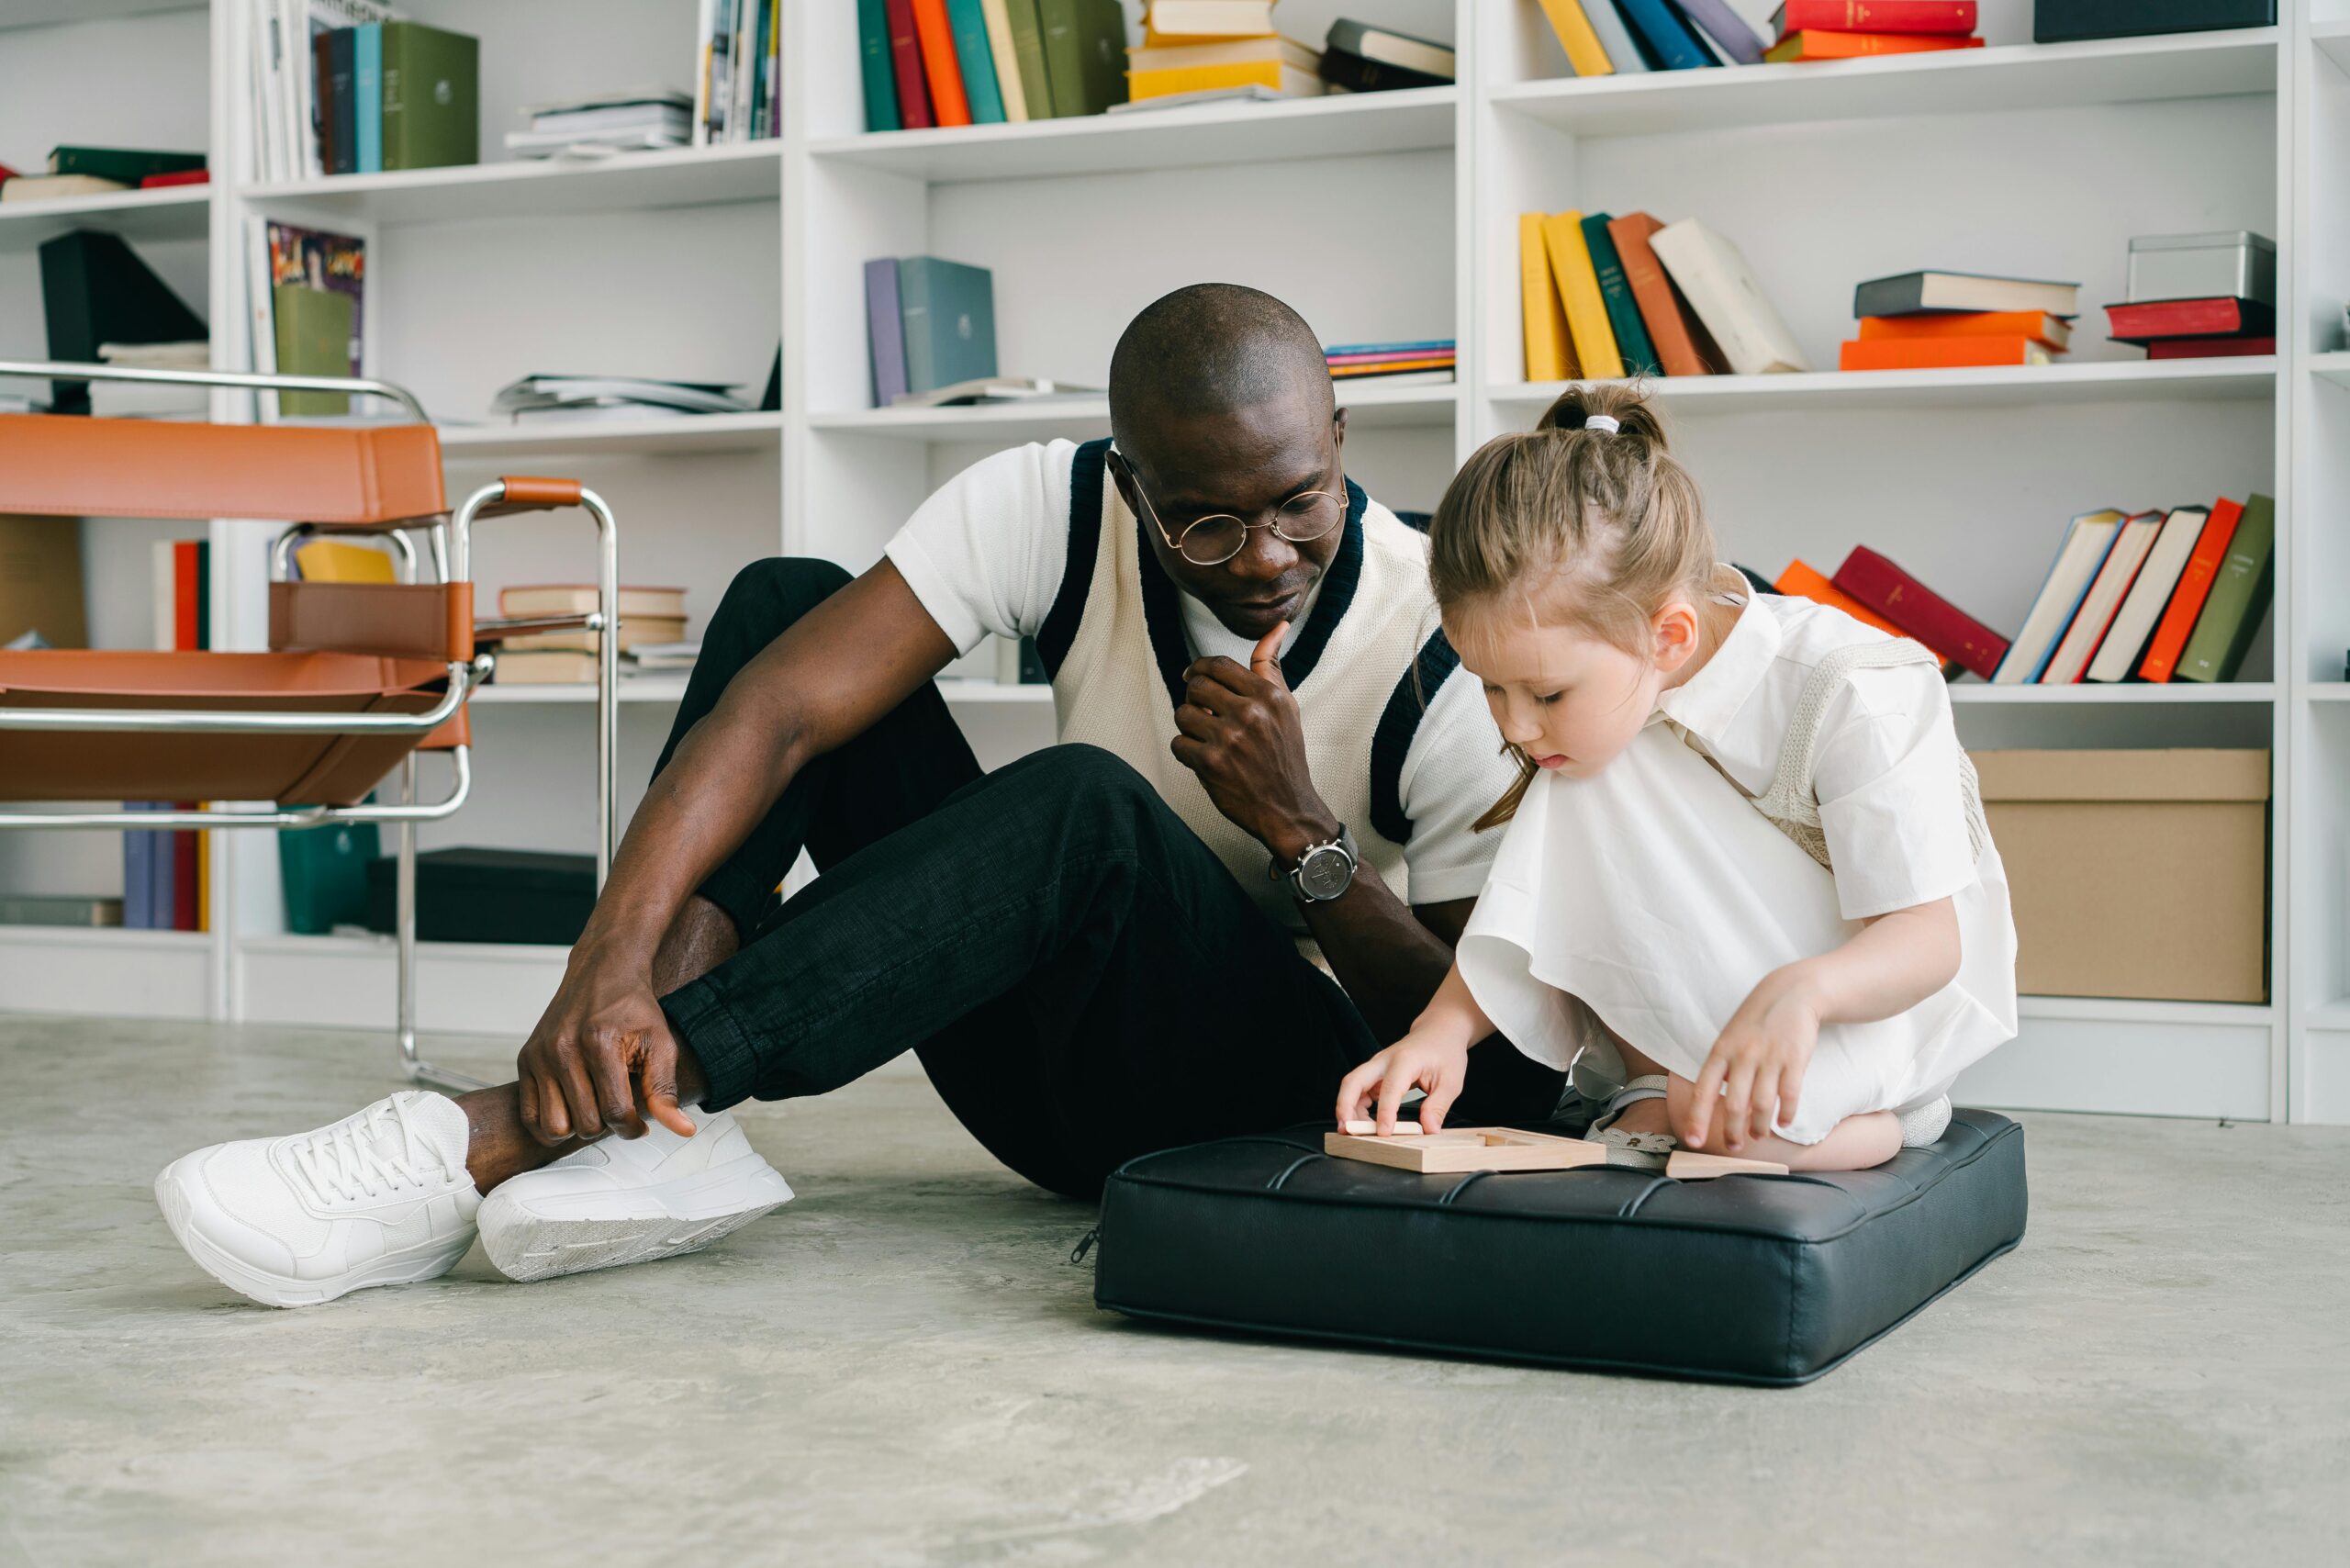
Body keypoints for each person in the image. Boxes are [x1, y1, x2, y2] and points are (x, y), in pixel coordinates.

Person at [154, 283, 1567, 1308]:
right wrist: (604, 965)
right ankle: (651, 1119)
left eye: (1300, 500)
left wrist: (1305, 838)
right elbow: (774, 715)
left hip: (1260, 1108)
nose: (1262, 556)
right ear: (1128, 483)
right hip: (1041, 1081)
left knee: (1084, 812)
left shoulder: (1442, 650)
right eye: (1206, 519)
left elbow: (1495, 1082)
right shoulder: (1050, 507)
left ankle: (495, 1136)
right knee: (788, 610)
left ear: (1339, 435)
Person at [1337, 384, 2018, 1171]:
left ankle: (1901, 1116)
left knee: (1718, 1116)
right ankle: (1660, 1076)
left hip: (1868, 1003)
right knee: (1584, 761)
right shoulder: (1593, 710)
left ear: (1670, 635)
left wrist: (1804, 993)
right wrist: (1441, 1031)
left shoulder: (1856, 688)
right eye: (1492, 686)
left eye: (1545, 693)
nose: (1515, 725)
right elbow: (1528, 902)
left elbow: (1930, 943)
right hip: (1717, 1015)